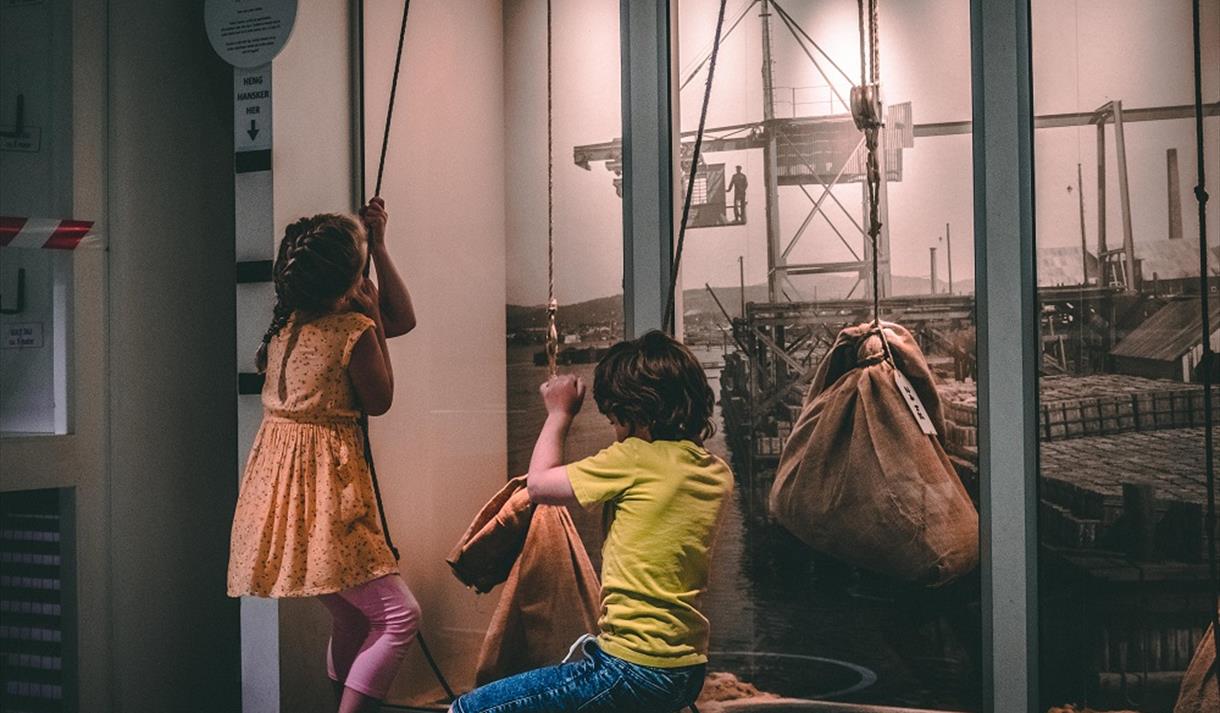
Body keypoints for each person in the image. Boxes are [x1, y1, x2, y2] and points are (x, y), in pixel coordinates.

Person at [451, 331, 734, 713]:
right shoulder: (716, 473)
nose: (615, 432)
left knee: (469, 709)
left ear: (637, 415)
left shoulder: (634, 458)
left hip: (631, 667)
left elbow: (539, 485)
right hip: (686, 668)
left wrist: (559, 414)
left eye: (615, 421)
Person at [227, 198, 419, 713]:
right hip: (330, 500)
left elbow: (402, 319)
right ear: (350, 282)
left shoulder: (288, 325)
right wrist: (371, 314)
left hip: (285, 503)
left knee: (352, 616)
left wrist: (377, 248)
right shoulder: (351, 331)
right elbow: (380, 399)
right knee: (400, 617)